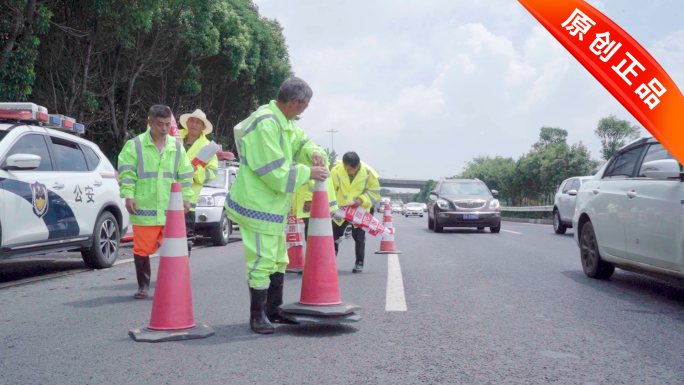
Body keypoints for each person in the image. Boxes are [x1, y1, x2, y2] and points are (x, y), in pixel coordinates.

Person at [226, 77, 330, 334]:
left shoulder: (284, 122)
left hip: (272, 206)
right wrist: (309, 172)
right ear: (295, 102)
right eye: (304, 106)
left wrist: (314, 152)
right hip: (258, 204)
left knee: (278, 260)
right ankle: (257, 315)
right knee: (262, 259)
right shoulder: (266, 124)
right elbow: (275, 173)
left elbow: (303, 141)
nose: (304, 111)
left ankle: (273, 309)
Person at [118, 105, 195, 299]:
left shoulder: (176, 147)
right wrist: (128, 194)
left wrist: (187, 198)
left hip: (171, 210)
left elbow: (185, 175)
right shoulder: (134, 145)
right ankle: (143, 286)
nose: (164, 128)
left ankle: (172, 286)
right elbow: (127, 173)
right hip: (145, 209)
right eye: (159, 124)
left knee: (174, 250)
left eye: (167, 124)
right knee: (142, 249)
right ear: (149, 122)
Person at [331, 152, 381, 273]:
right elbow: (330, 189)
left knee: (359, 237)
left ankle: (359, 262)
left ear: (357, 166)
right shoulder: (336, 170)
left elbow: (374, 193)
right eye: (345, 168)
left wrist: (362, 199)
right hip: (341, 209)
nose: (347, 171)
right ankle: (331, 261)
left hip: (360, 210)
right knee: (333, 235)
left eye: (350, 170)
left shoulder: (369, 174)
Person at [179, 109, 219, 255]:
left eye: (198, 122)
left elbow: (212, 173)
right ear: (187, 123)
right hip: (166, 194)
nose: (194, 124)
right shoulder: (174, 136)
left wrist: (195, 171)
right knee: (165, 238)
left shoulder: (207, 147)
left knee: (185, 238)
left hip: (189, 199)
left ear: (203, 127)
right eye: (192, 121)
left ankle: (181, 272)